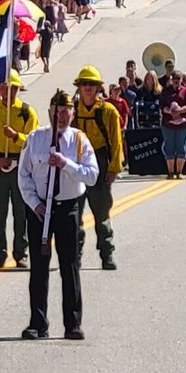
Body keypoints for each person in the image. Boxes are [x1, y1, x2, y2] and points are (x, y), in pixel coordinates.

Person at [20, 90, 98, 340]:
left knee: (69, 265)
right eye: (56, 112)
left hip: (68, 207)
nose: (61, 117)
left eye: (65, 112)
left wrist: (66, 164)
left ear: (72, 114)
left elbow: (92, 175)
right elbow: (24, 176)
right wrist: (35, 204)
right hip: (40, 209)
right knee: (39, 267)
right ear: (49, 113)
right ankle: (38, 323)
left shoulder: (79, 141)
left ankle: (73, 324)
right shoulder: (35, 139)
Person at [0, 73, 38, 268]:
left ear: (17, 89)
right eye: (3, 87)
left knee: (21, 213)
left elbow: (33, 142)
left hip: (20, 167)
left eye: (10, 87)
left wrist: (16, 137)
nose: (6, 91)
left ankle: (21, 253)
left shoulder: (27, 112)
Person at [71, 67, 125, 270]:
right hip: (76, 164)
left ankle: (107, 254)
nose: (87, 88)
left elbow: (116, 142)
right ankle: (75, 255)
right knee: (74, 214)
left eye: (91, 85)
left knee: (101, 214)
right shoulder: (72, 111)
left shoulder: (108, 111)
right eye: (84, 84)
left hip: (100, 163)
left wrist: (113, 168)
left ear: (98, 88)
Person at [157, 69, 186, 180]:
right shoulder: (166, 91)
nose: (177, 81)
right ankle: (170, 172)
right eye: (175, 79)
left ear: (182, 80)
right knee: (169, 147)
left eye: (179, 79)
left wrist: (180, 110)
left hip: (183, 123)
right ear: (171, 80)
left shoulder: (185, 91)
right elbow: (161, 105)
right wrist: (169, 111)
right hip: (168, 124)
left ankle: (179, 171)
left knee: (181, 146)